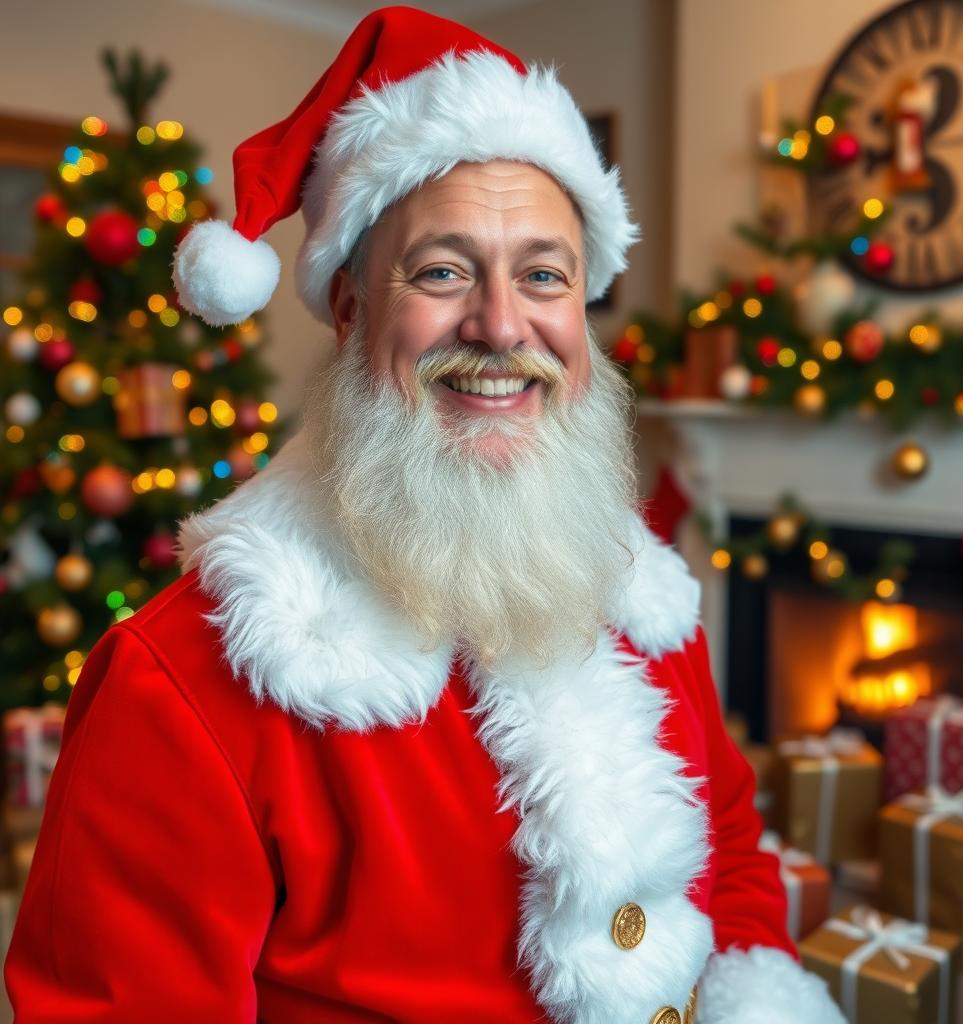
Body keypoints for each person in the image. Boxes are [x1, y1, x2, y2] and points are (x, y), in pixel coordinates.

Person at [4, 7, 845, 1023]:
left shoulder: (643, 593)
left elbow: (731, 843)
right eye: (443, 272)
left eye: (544, 275)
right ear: (352, 306)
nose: (500, 325)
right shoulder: (178, 686)